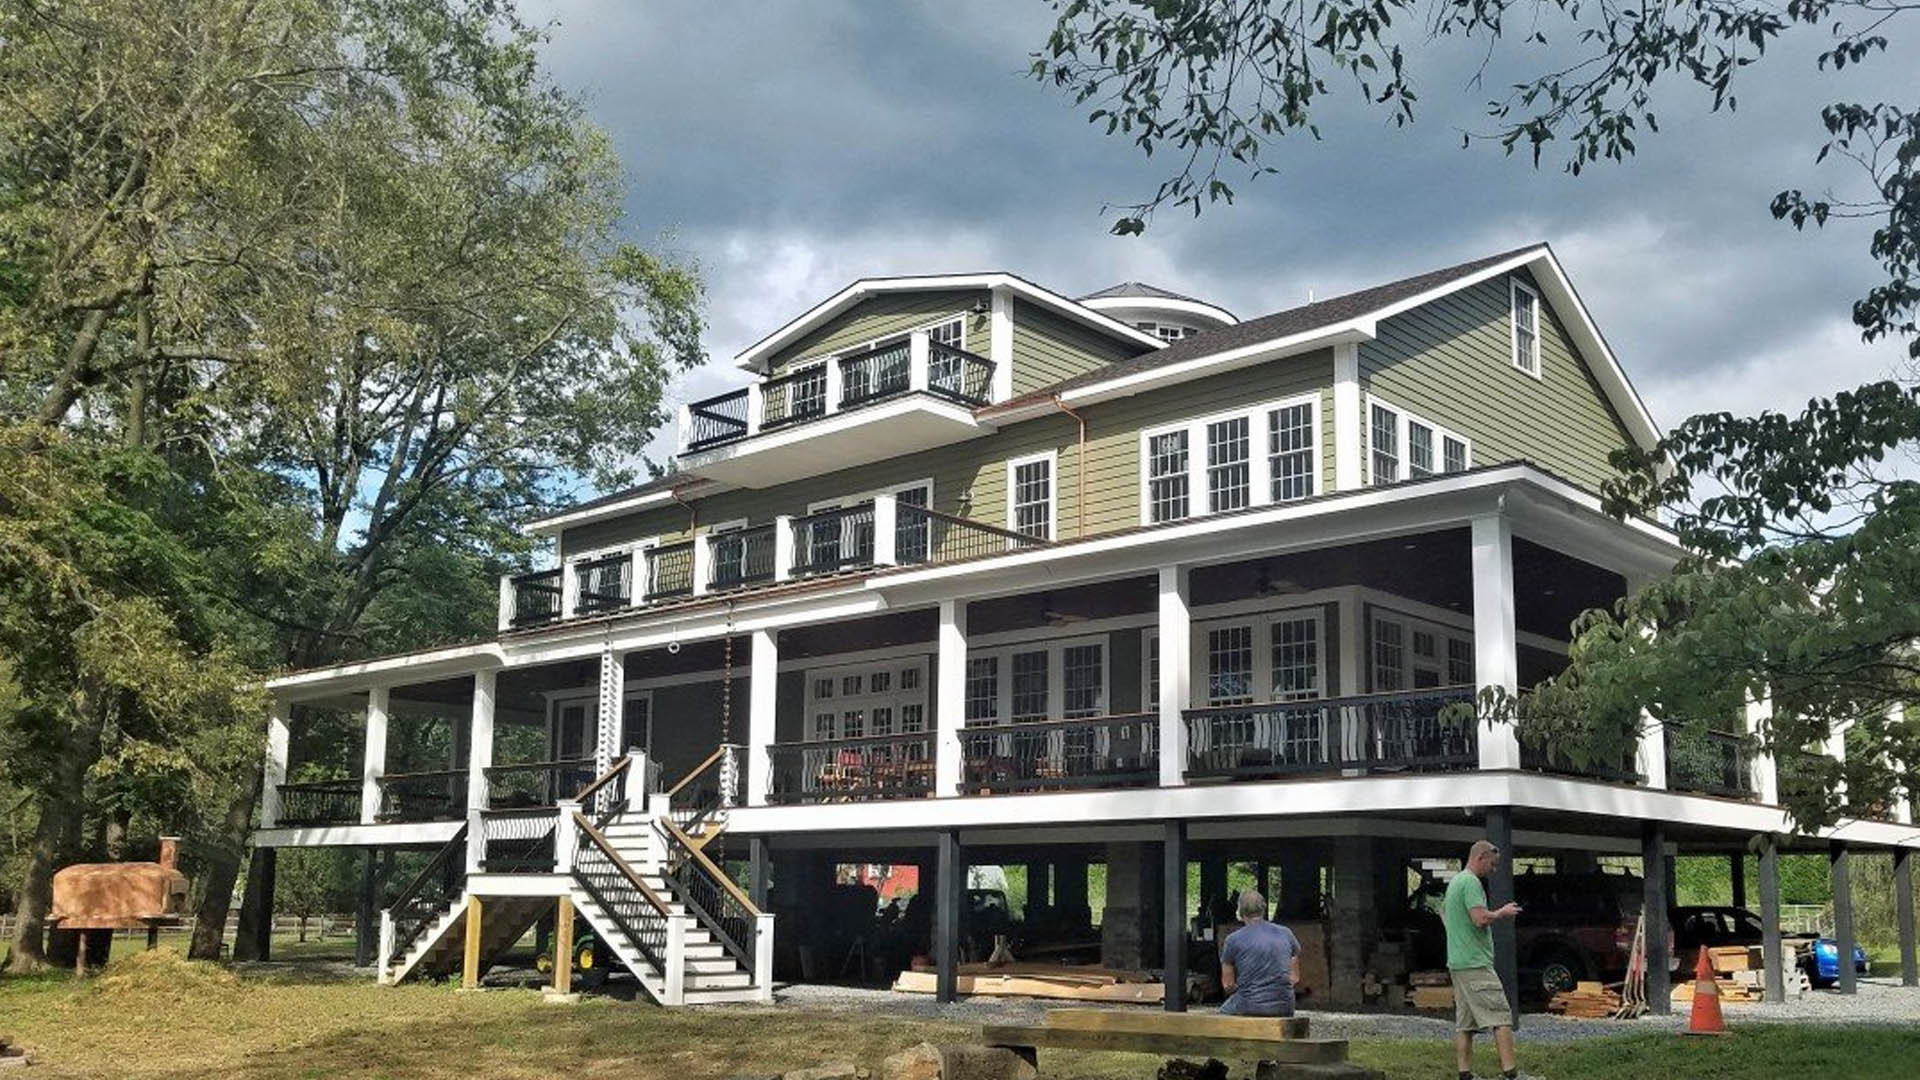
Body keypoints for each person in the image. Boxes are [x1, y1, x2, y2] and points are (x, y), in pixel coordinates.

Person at [1443, 839, 1533, 1080]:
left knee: (1465, 1024)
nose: (1493, 870)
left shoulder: (1455, 882)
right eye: (1492, 864)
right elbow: (1480, 918)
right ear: (1480, 857)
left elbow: (1446, 916)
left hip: (1458, 963)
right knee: (1501, 1016)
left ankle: (1465, 1074)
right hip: (1475, 964)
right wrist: (1501, 913)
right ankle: (1511, 1073)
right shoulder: (1471, 883)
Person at [1217, 889, 1301, 1016]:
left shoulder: (1233, 940)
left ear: (1240, 912)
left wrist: (1245, 992)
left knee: (1222, 1015)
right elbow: (1294, 978)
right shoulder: (1286, 933)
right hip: (1285, 1005)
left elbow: (1228, 985)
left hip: (1249, 1003)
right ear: (1264, 908)